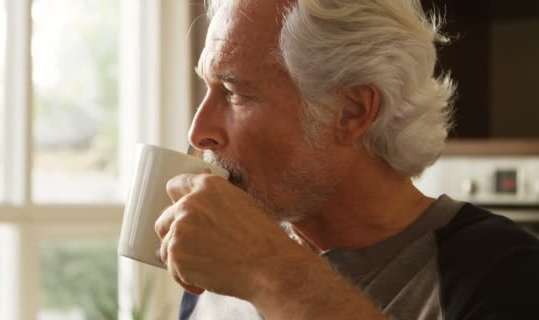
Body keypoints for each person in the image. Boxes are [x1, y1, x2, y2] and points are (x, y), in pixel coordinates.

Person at [153, 0, 539, 319]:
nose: (198, 130)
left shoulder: (506, 274)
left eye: (235, 92)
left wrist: (267, 268)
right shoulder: (213, 264)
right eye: (208, 87)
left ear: (351, 111)